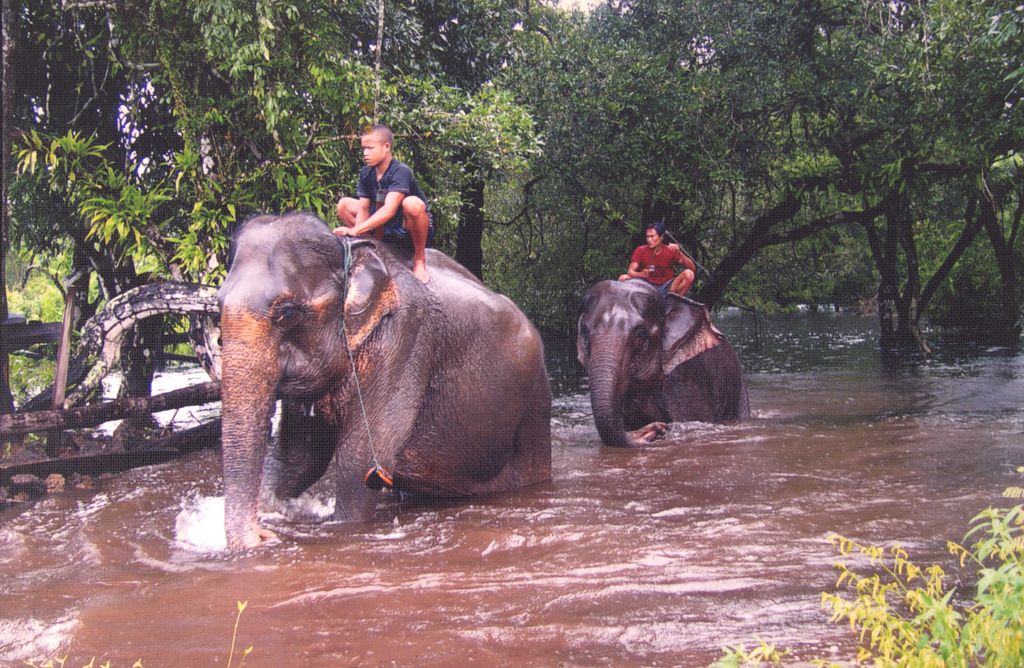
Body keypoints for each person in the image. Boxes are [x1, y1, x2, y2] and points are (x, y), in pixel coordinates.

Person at [335, 125, 433, 283]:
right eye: (363, 149)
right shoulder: (366, 172)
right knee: (344, 205)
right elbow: (364, 208)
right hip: (383, 227)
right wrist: (357, 235)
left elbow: (389, 210)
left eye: (370, 148)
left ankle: (419, 259)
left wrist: (355, 229)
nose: (365, 153)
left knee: (412, 204)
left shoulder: (401, 171)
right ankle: (370, 243)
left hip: (405, 225)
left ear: (386, 147)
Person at [618, 222, 696, 298]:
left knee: (689, 274)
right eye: (647, 237)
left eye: (652, 236)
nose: (649, 240)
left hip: (667, 286)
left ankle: (674, 301)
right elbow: (630, 271)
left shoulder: (670, 250)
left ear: (661, 237)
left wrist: (680, 253)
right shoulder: (641, 250)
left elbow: (692, 268)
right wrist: (641, 274)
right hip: (646, 286)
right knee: (623, 278)